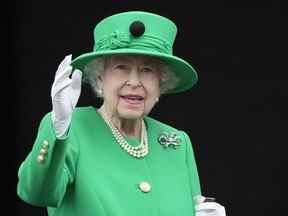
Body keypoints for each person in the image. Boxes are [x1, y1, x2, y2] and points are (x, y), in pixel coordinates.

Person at [16, 11, 226, 216]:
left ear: (161, 84)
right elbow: (37, 193)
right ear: (100, 78)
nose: (134, 82)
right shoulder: (70, 129)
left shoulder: (178, 143)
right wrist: (59, 127)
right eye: (121, 67)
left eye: (147, 70)